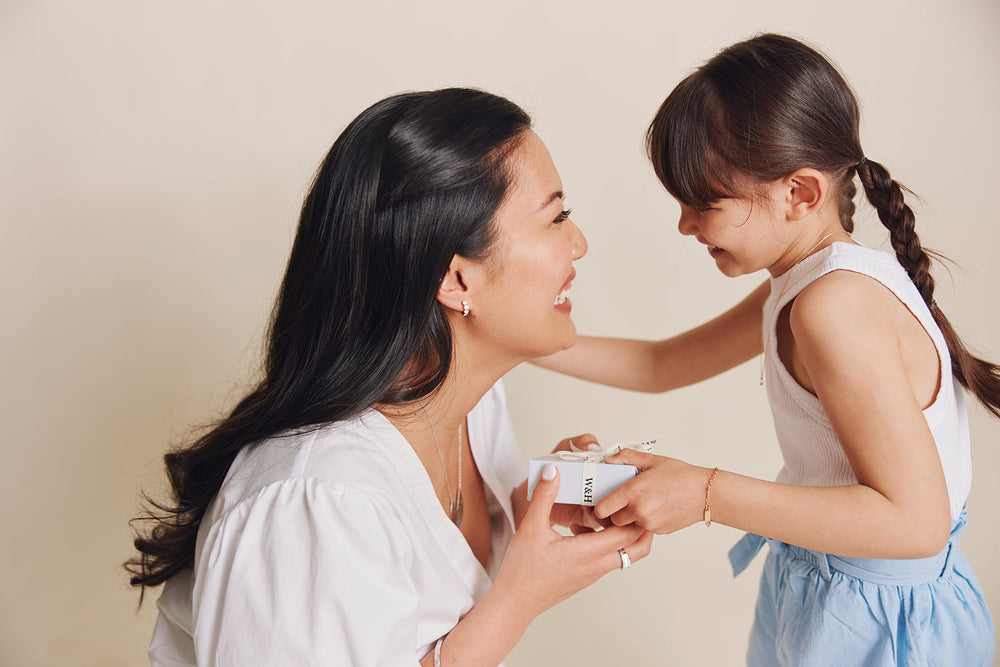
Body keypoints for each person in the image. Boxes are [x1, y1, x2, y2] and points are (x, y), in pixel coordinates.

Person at [126, 87, 652, 666]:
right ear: (455, 281)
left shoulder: (475, 404)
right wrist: (519, 597)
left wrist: (531, 509)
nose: (578, 243)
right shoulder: (319, 500)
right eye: (557, 218)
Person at [535, 34, 997, 665]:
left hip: (881, 626)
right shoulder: (805, 281)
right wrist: (523, 337)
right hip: (825, 586)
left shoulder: (835, 307)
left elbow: (916, 525)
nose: (684, 225)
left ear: (799, 193)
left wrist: (704, 494)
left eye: (705, 203)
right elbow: (661, 365)